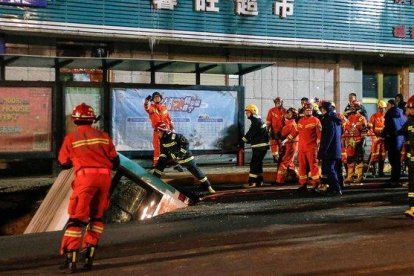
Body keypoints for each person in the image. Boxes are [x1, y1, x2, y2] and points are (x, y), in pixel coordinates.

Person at [58, 103, 119, 273]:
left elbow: (63, 163)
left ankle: (72, 258)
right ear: (92, 119)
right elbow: (115, 162)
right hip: (105, 178)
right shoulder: (103, 136)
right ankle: (89, 254)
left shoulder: (70, 138)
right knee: (96, 217)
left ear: (75, 120)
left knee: (76, 218)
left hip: (85, 179)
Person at [152, 122, 216, 194]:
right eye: (156, 131)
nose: (157, 133)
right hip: (176, 160)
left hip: (187, 159)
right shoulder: (162, 140)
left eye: (158, 131)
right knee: (161, 163)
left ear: (163, 130)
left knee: (197, 173)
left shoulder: (176, 136)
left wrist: (180, 155)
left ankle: (208, 187)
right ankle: (154, 178)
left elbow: (186, 144)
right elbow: (164, 151)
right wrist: (162, 158)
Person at [240, 104, 269, 188]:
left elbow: (249, 134)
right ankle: (259, 181)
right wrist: (249, 140)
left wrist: (240, 143)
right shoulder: (257, 121)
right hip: (261, 146)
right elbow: (254, 135)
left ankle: (252, 182)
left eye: (248, 112)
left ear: (253, 112)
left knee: (254, 164)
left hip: (259, 147)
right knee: (258, 164)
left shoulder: (256, 122)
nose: (246, 114)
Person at [318, 101, 343, 195]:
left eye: (322, 109)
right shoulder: (335, 118)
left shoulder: (328, 119)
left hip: (330, 150)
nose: (321, 111)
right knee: (335, 169)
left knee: (330, 169)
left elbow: (328, 136)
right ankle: (337, 187)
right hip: (336, 148)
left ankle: (336, 189)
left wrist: (323, 150)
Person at [296, 102, 322, 192]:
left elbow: (319, 135)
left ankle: (316, 184)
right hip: (301, 148)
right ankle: (303, 184)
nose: (308, 111)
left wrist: (318, 146)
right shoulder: (300, 121)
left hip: (311, 148)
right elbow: (295, 132)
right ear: (304, 111)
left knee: (313, 166)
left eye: (310, 110)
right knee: (302, 166)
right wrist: (285, 140)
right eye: (307, 110)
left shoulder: (316, 120)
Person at [144, 91, 174, 167]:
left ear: (161, 98)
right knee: (157, 147)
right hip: (157, 131)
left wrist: (172, 127)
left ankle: (172, 162)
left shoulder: (164, 107)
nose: (157, 98)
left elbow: (168, 118)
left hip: (166, 131)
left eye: (158, 97)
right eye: (155, 97)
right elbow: (146, 107)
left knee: (169, 146)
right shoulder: (151, 107)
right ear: (153, 99)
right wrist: (146, 101)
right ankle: (156, 164)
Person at [342, 100, 367, 184]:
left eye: (354, 107)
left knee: (359, 159)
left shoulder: (361, 118)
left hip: (358, 141)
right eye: (351, 107)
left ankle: (360, 177)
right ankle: (350, 177)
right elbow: (346, 129)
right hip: (350, 142)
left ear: (358, 108)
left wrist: (361, 142)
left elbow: (364, 130)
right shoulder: (349, 118)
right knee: (350, 159)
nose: (352, 108)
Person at [383, 99, 406, 185]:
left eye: (387, 105)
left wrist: (383, 135)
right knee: (397, 159)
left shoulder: (389, 114)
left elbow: (387, 127)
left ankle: (394, 178)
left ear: (392, 105)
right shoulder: (401, 112)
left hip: (392, 139)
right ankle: (396, 177)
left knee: (392, 159)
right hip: (400, 139)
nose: (386, 107)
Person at [399, 95, 414, 217]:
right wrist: (386, 135)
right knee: (412, 184)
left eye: (408, 108)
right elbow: (401, 131)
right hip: (411, 159)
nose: (406, 110)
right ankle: (412, 207)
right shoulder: (409, 121)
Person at [275, 108, 299, 185]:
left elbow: (292, 135)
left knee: (284, 162)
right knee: (290, 163)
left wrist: (284, 141)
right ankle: (296, 177)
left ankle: (279, 180)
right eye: (287, 112)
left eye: (289, 113)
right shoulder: (287, 123)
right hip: (288, 146)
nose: (287, 113)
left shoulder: (293, 125)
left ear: (293, 115)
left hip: (291, 146)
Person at [367, 100, 387, 177]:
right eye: (380, 108)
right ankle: (374, 171)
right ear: (378, 108)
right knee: (374, 155)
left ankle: (381, 172)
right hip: (376, 139)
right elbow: (370, 129)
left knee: (383, 155)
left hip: (383, 139)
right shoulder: (374, 116)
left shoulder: (386, 117)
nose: (382, 110)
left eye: (383, 108)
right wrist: (374, 138)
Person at [266, 97, 286, 163]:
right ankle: (275, 158)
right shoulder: (271, 110)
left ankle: (281, 158)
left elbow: (287, 122)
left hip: (283, 132)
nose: (278, 103)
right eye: (276, 102)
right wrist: (267, 130)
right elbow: (268, 121)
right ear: (275, 102)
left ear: (281, 102)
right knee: (273, 145)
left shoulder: (285, 111)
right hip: (273, 131)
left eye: (279, 102)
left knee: (282, 145)